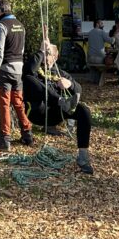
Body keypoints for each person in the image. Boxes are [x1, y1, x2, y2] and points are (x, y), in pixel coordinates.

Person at [22, 43, 94, 174]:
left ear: (55, 57)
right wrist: (41, 51)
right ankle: (60, 100)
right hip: (37, 111)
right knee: (29, 79)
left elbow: (79, 90)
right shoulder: (35, 71)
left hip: (55, 112)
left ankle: (83, 156)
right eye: (43, 54)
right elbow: (28, 71)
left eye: (48, 54)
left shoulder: (61, 73)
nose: (45, 57)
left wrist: (70, 84)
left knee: (84, 110)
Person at [0, 0, 33, 150]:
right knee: (18, 103)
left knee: (4, 105)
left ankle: (4, 138)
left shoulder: (1, 26)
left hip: (5, 70)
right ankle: (27, 133)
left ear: (0, 11)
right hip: (18, 69)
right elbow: (21, 50)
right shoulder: (20, 25)